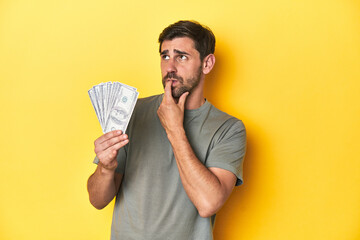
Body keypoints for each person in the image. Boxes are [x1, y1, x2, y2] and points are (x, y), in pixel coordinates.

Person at [87, 20, 246, 240]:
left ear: (207, 64)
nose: (170, 67)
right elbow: (97, 200)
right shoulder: (133, 113)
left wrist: (175, 129)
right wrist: (105, 168)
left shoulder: (228, 129)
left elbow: (208, 203)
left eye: (181, 56)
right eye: (165, 56)